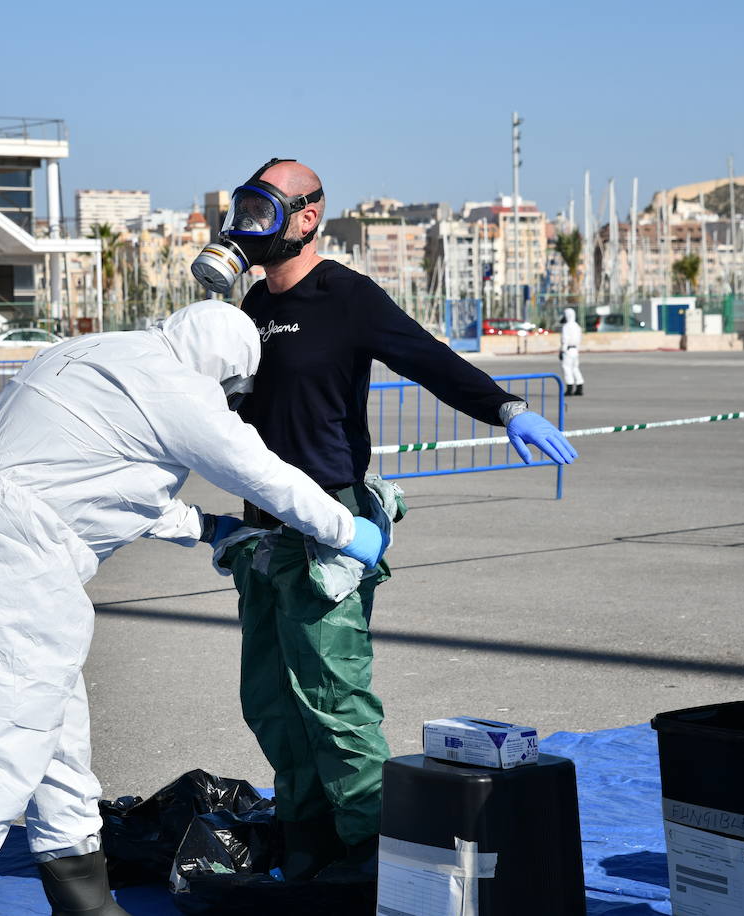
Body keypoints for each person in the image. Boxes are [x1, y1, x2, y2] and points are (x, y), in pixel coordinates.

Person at [0, 300, 389, 915]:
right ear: (223, 367)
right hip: (18, 554)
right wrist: (348, 530)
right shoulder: (180, 389)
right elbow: (262, 474)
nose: (230, 399)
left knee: (57, 742)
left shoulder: (97, 352)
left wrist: (206, 528)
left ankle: (87, 903)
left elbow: (103, 477)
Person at [189, 158, 579, 878]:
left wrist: (508, 408)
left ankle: (374, 854)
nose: (249, 222)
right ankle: (308, 840)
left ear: (309, 217)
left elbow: (427, 359)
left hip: (328, 528)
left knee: (334, 700)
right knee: (271, 700)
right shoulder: (247, 310)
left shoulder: (347, 296)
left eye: (265, 207)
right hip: (262, 534)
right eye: (245, 205)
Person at [560, 307, 584, 396]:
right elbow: (579, 338)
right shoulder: (577, 326)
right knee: (575, 368)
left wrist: (562, 350)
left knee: (566, 367)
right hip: (575, 350)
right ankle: (579, 386)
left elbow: (565, 339)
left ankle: (569, 387)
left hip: (568, 350)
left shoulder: (566, 327)